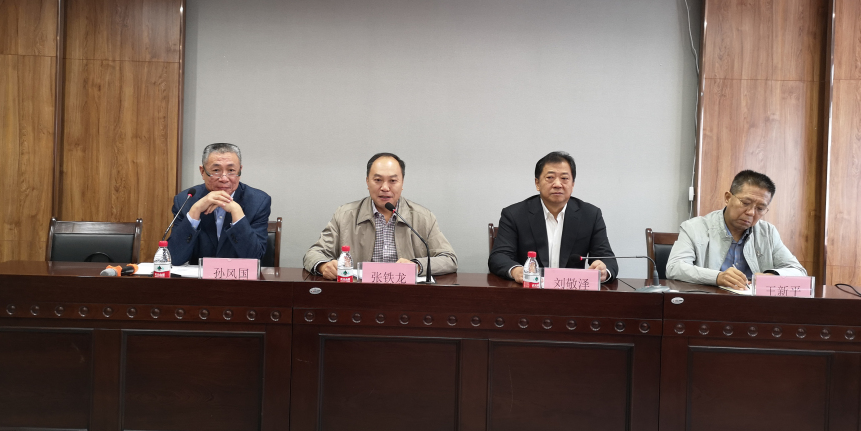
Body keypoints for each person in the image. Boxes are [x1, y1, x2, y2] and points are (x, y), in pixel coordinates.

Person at [303, 153, 457, 278]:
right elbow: (313, 254)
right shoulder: (344, 215)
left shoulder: (423, 217)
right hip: (359, 294)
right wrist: (323, 266)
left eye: (393, 181)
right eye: (377, 180)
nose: (385, 187)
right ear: (367, 182)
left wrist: (417, 266)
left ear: (402, 183)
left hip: (406, 296)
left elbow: (449, 259)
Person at [488, 151, 617, 283]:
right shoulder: (514, 214)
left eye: (564, 178)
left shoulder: (590, 215)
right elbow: (499, 256)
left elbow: (608, 259)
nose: (557, 184)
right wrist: (516, 271)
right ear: (537, 183)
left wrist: (603, 271)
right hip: (529, 290)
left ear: (572, 184)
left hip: (572, 291)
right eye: (550, 177)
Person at [667, 170, 806, 288]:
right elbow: (674, 267)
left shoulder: (768, 232)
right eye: (745, 203)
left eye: (760, 208)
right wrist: (717, 277)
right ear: (728, 198)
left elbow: (799, 271)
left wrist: (772, 276)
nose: (751, 212)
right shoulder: (694, 227)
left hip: (755, 305)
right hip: (710, 303)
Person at [167, 143, 271, 265]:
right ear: (202, 172)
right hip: (199, 276)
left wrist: (236, 212)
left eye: (231, 171)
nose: (224, 178)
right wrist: (195, 211)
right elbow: (173, 258)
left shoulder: (258, 202)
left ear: (240, 171)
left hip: (238, 276)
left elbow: (255, 258)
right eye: (216, 171)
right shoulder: (185, 200)